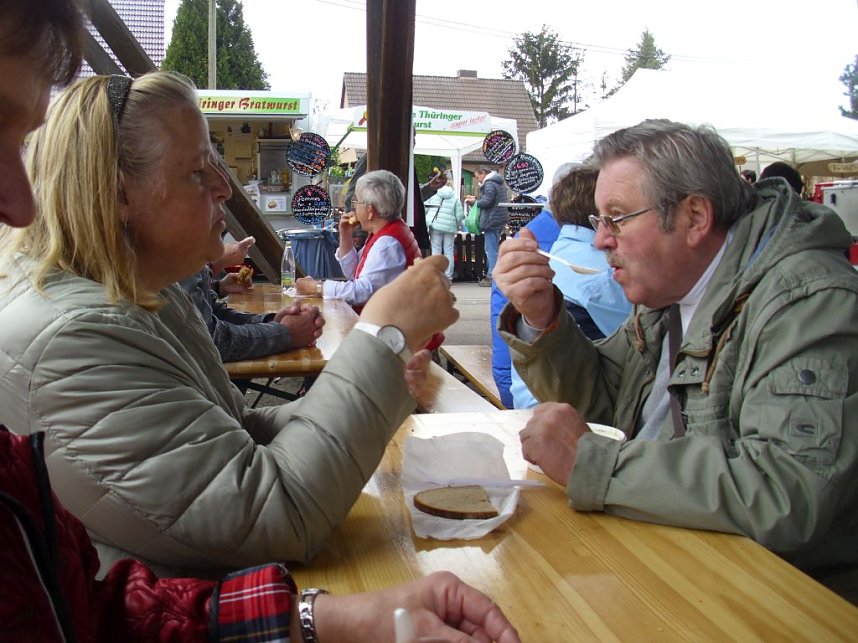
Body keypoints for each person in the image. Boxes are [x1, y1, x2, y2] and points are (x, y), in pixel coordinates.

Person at [0, 7, 521, 642]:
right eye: (198, 169)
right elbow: (276, 513)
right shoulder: (72, 338)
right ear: (117, 196)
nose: (223, 185)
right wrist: (381, 337)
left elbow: (234, 437)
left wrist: (380, 374)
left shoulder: (132, 300)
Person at [494, 118, 858, 599]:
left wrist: (594, 463)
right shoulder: (669, 293)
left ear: (694, 218)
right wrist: (543, 320)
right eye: (600, 220)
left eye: (617, 217)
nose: (601, 239)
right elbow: (605, 406)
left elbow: (785, 491)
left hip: (775, 601)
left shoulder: (808, 302)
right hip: (671, 567)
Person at [508, 167, 631, 409]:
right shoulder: (603, 274)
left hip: (524, 396)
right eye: (616, 215)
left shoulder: (557, 253)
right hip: (562, 409)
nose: (602, 241)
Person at [180, 235, 324, 362]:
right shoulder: (176, 260)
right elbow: (210, 340)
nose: (221, 205)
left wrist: (272, 322)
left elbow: (211, 312)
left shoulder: (186, 257)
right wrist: (285, 333)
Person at [295, 169, 421, 311]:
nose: (354, 207)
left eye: (356, 201)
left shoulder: (387, 244)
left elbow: (362, 292)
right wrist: (346, 236)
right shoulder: (386, 233)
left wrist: (318, 287)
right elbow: (354, 273)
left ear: (370, 211)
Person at [465, 166, 508, 286]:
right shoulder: (497, 182)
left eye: (478, 176)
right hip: (498, 218)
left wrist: (473, 202)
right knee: (492, 248)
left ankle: (492, 277)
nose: (477, 179)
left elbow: (487, 202)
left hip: (492, 219)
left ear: (483, 173)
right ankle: (492, 274)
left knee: (490, 250)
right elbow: (491, 199)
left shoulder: (489, 183)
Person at [425, 172, 465, 280]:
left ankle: (436, 275)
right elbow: (460, 215)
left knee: (436, 250)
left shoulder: (433, 195)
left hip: (435, 226)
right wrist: (455, 225)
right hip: (450, 228)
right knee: (449, 251)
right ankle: (448, 276)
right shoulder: (455, 197)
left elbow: (425, 208)